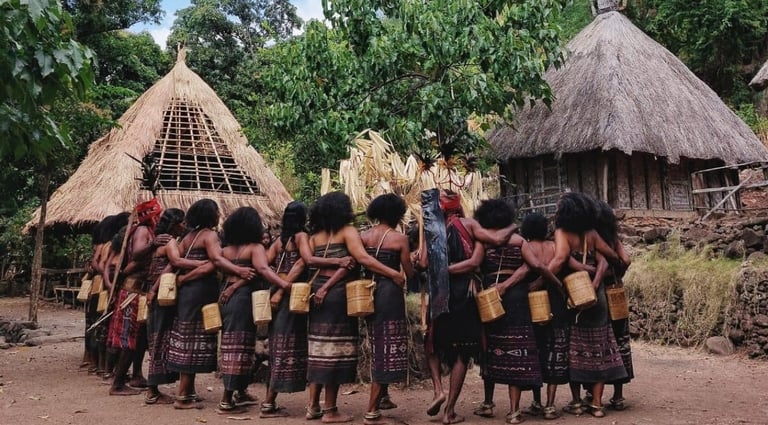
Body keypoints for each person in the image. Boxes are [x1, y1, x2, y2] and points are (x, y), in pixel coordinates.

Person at [298, 191, 405, 424]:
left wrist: (322, 287)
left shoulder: (315, 237)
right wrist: (394, 273)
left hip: (316, 291)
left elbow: (308, 261)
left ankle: (313, 406)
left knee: (319, 348)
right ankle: (331, 410)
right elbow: (362, 259)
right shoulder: (348, 232)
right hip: (336, 294)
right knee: (334, 351)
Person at [423, 191, 517, 425]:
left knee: (432, 343)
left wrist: (441, 270)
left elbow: (424, 263)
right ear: (457, 207)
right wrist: (514, 226)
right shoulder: (469, 225)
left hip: (438, 294)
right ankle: (450, 411)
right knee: (462, 352)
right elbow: (480, 257)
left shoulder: (430, 231)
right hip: (463, 294)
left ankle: (438, 390)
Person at [474, 200, 561, 424]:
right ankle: (513, 411)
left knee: (491, 348)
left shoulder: (482, 241)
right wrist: (558, 285)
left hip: (489, 298)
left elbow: (475, 266)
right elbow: (537, 266)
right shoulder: (519, 241)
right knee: (518, 347)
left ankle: (487, 403)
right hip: (518, 300)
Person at [165, 199, 256, 409]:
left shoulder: (187, 237)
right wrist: (239, 271)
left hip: (187, 293)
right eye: (215, 211)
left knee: (187, 337)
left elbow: (177, 261)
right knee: (193, 340)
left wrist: (185, 279)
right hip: (200, 292)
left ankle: (188, 391)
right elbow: (216, 260)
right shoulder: (210, 235)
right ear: (209, 215)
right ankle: (182, 397)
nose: (218, 215)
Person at [548, 192, 626, 418]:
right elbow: (613, 256)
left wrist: (539, 281)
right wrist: (596, 271)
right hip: (597, 296)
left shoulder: (562, 233)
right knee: (599, 347)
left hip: (575, 295)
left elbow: (560, 259)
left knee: (576, 350)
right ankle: (598, 404)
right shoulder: (592, 234)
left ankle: (576, 402)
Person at [216, 207, 292, 414]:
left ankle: (239, 391)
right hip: (242, 301)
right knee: (238, 347)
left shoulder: (226, 250)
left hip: (226, 297)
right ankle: (226, 400)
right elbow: (263, 269)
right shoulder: (255, 248)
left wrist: (233, 284)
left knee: (232, 344)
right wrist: (285, 285)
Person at [359, 194, 415, 424]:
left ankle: (383, 398)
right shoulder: (400, 239)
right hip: (390, 295)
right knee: (387, 347)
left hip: (367, 295)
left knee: (377, 343)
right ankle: (371, 410)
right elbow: (409, 273)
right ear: (397, 214)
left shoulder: (363, 237)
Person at [262, 201, 311, 418]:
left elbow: (264, 264)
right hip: (290, 299)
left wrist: (277, 281)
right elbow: (302, 262)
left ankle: (269, 401)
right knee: (283, 347)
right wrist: (284, 288)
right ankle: (268, 403)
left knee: (276, 347)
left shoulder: (279, 241)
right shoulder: (301, 237)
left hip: (276, 297)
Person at [144, 208, 194, 405]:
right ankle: (152, 390)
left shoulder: (158, 242)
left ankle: (154, 388)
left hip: (155, 292)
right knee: (161, 339)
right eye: (182, 223)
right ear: (175, 224)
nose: (184, 226)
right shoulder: (171, 242)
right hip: (163, 294)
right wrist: (207, 263)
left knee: (156, 338)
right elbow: (175, 262)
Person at [594, 200, 633, 411]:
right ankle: (618, 396)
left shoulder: (593, 238)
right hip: (617, 294)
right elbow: (626, 260)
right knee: (621, 342)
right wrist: (618, 276)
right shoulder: (613, 239)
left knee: (598, 342)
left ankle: (593, 395)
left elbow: (601, 265)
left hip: (600, 293)